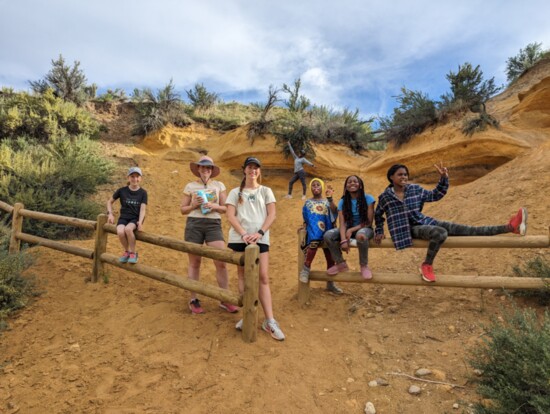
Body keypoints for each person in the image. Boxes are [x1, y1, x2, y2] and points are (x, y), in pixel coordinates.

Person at [374, 163, 528, 282]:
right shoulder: (385, 197)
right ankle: (427, 265)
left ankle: (510, 227)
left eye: (406, 174)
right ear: (391, 177)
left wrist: (443, 179)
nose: (404, 177)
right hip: (406, 230)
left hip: (423, 222)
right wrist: (379, 230)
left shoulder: (414, 189)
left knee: (468, 230)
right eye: (400, 175)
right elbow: (378, 214)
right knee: (440, 233)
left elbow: (435, 194)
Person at [225, 156, 285, 341]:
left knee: (263, 277)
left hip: (260, 238)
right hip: (239, 237)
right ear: (244, 170)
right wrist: (244, 233)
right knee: (243, 276)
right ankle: (248, 315)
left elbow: (272, 214)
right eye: (250, 167)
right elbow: (230, 215)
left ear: (259, 171)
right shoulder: (235, 192)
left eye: (256, 168)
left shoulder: (266, 191)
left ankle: (269, 320)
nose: (253, 170)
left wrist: (259, 233)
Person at [180, 155, 238, 315]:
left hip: (213, 224)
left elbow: (226, 208)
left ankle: (224, 298)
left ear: (212, 170)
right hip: (194, 224)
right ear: (198, 169)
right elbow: (182, 209)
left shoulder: (219, 185)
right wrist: (193, 205)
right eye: (203, 167)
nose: (205, 170)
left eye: (208, 168)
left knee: (221, 261)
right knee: (194, 262)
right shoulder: (190, 186)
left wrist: (213, 205)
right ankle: (193, 299)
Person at [323, 175, 376, 280]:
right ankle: (340, 263)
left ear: (360, 185)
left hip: (364, 228)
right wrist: (343, 240)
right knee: (328, 235)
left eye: (355, 181)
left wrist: (351, 230)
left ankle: (363, 265)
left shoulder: (368, 199)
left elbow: (368, 222)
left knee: (361, 235)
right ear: (346, 187)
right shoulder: (343, 202)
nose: (352, 183)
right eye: (349, 182)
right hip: (347, 229)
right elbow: (342, 223)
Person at [299, 178, 343, 294]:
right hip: (314, 232)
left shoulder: (326, 201)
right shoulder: (308, 202)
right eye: (313, 185)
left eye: (318, 185)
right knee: (314, 238)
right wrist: (304, 226)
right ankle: (306, 268)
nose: (316, 187)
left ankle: (330, 283)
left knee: (330, 257)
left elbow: (335, 212)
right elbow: (307, 217)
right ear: (310, 189)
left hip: (328, 230)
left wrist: (330, 198)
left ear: (322, 187)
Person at [107, 166, 148, 264]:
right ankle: (127, 251)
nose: (135, 179)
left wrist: (140, 222)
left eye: (137, 177)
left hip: (135, 218)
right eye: (132, 176)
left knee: (128, 229)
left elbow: (143, 209)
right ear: (128, 178)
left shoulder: (143, 193)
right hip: (124, 217)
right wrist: (110, 214)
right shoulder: (122, 191)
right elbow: (109, 202)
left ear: (140, 178)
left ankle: (133, 253)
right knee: (120, 232)